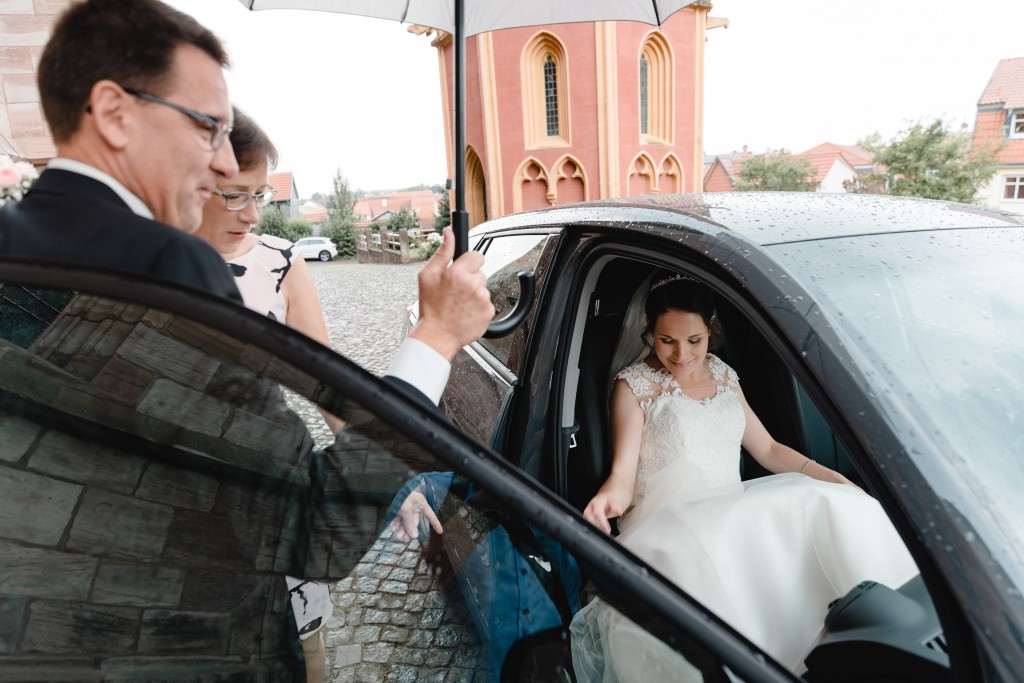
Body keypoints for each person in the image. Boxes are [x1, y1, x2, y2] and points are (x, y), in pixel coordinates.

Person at [0, 0, 493, 409]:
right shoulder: (171, 262)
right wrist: (436, 334)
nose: (224, 162)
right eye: (208, 126)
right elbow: (318, 508)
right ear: (113, 113)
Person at [572, 272, 919, 679]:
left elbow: (768, 450)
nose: (681, 354)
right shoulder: (635, 387)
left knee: (827, 505)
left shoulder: (722, 374)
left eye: (694, 341)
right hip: (672, 528)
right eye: (667, 341)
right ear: (649, 332)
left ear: (710, 328)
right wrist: (605, 501)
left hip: (733, 513)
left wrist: (835, 478)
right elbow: (622, 477)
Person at [194, 108, 336, 682]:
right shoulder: (144, 262)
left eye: (260, 195)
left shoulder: (279, 261)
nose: (252, 213)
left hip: (271, 483)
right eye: (233, 195)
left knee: (306, 645)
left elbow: (329, 380)